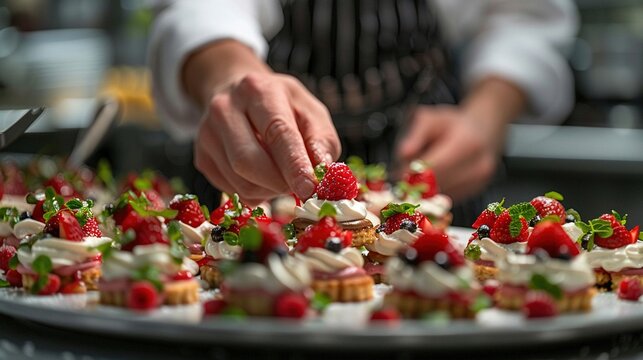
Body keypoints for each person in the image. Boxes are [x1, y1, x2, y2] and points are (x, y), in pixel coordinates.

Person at [148, 0, 577, 222]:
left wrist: (485, 118)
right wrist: (230, 75)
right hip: (254, 159)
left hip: (437, 167)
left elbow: (527, 16)